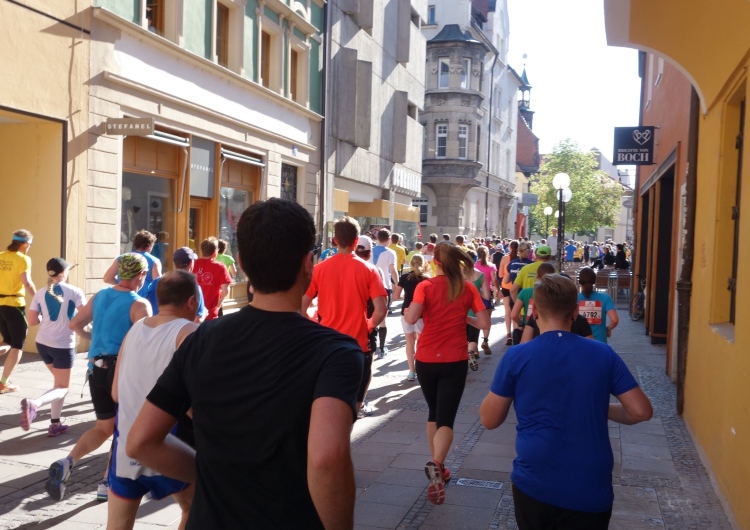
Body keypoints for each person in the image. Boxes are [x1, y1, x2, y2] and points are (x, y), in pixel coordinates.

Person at [127, 198, 364, 528]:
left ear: (240, 263)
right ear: (308, 263)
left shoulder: (200, 339)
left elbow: (140, 442)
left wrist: (207, 471)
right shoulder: (336, 352)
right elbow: (326, 458)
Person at [480, 274, 653, 529]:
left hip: (535, 479)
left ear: (534, 312)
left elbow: (489, 419)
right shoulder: (603, 354)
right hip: (590, 484)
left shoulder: (517, 356)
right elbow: (641, 411)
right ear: (575, 312)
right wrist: (597, 408)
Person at [46, 253, 151, 502]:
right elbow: (145, 344)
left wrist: (95, 339)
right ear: (141, 275)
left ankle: (68, 461)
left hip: (95, 368)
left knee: (103, 427)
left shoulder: (101, 295)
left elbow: (75, 325)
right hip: (121, 371)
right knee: (122, 428)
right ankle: (106, 483)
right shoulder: (139, 304)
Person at [108, 270, 198, 530]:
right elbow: (196, 404)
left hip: (126, 447)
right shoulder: (190, 332)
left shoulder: (135, 329)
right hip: (169, 444)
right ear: (192, 301)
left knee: (118, 524)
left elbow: (116, 394)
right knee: (194, 509)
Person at [404, 243, 490, 505]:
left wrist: (409, 310)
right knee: (446, 419)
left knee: (434, 413)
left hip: (426, 359)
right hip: (454, 360)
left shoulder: (425, 286)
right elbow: (484, 323)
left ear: (436, 263)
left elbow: (411, 318)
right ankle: (437, 463)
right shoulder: (467, 287)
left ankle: (438, 469)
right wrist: (465, 317)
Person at [301, 217, 387, 418]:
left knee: (328, 394)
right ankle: (355, 413)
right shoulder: (369, 270)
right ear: (356, 241)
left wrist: (315, 322)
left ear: (335, 240)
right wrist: (368, 325)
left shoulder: (319, 269)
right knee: (356, 394)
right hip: (357, 343)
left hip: (326, 342)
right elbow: (381, 310)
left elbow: (301, 307)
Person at [21, 258, 86, 435]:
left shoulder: (40, 293)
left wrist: (44, 317)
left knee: (59, 385)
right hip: (62, 345)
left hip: (43, 344)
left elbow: (32, 321)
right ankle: (35, 404)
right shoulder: (74, 291)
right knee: (63, 387)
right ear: (64, 272)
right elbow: (85, 315)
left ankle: (55, 424)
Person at [0, 229, 37, 393]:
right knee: (17, 344)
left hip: (0, 304)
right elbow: (27, 283)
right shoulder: (23, 259)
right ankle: (3, 383)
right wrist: (38, 299)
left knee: (7, 341)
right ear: (26, 244)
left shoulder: (1, 256)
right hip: (14, 305)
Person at [353, 236, 386, 413]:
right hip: (364, 327)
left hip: (334, 328)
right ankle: (359, 404)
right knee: (365, 368)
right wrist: (370, 325)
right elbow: (381, 306)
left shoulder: (327, 267)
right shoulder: (373, 271)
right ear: (369, 252)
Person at [145, 248, 207, 322]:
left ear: (175, 263)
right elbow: (197, 320)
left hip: (156, 326)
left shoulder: (159, 281)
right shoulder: (193, 286)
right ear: (191, 263)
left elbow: (147, 305)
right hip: (181, 329)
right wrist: (204, 314)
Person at [394, 253, 428, 382]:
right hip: (421, 313)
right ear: (423, 264)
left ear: (411, 264)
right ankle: (421, 368)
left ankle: (412, 371)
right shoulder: (426, 278)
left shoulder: (404, 277)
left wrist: (405, 297)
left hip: (407, 312)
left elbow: (396, 296)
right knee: (421, 341)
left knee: (409, 342)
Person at [103, 230, 162, 297]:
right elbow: (158, 285)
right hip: (144, 299)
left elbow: (107, 278)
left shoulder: (121, 258)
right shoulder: (154, 261)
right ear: (150, 245)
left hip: (123, 297)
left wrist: (121, 284)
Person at [510, 262, 556, 345]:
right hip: (551, 331)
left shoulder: (525, 292)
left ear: (537, 276)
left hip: (529, 332)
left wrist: (521, 324)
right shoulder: (558, 293)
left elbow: (513, 315)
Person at [372, 229, 399, 356]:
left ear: (377, 239)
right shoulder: (390, 252)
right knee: (383, 318)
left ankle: (369, 343)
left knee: (369, 314)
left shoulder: (370, 251)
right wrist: (398, 285)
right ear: (389, 239)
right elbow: (393, 270)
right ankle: (382, 348)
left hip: (369, 287)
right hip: (384, 287)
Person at [193, 237, 232, 320]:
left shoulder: (193, 264)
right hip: (211, 314)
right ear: (215, 252)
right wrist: (218, 306)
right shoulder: (220, 267)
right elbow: (225, 291)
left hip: (194, 313)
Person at [464, 250, 491, 370]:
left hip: (461, 310)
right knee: (473, 337)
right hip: (475, 310)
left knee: (462, 337)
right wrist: (477, 290)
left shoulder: (458, 274)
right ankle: (471, 351)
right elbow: (487, 296)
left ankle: (463, 359)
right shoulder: (480, 275)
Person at [578, 267, 619, 343]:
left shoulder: (574, 299)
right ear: (594, 281)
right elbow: (614, 320)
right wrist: (607, 329)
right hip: (600, 342)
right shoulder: (605, 298)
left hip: (579, 342)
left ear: (580, 281)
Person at [474, 246, 496, 355]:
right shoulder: (491, 266)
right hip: (487, 295)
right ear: (487, 254)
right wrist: (497, 290)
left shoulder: (474, 266)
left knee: (475, 320)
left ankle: (475, 347)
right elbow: (494, 280)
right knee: (487, 319)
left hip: (476, 294)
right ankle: (485, 341)